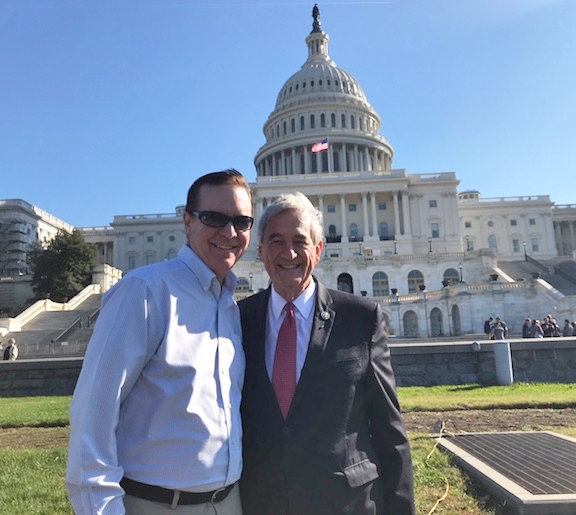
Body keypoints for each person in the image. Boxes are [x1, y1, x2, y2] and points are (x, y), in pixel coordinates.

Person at [66, 169, 253, 514]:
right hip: (156, 504)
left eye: (242, 222)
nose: (230, 232)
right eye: (214, 218)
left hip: (227, 502)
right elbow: (94, 413)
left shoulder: (228, 306)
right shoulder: (146, 291)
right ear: (187, 221)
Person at [239, 192, 414, 515]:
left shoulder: (361, 318)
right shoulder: (239, 320)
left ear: (318, 251)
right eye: (276, 241)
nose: (288, 252)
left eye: (299, 241)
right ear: (261, 252)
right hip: (262, 502)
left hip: (345, 503)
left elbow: (390, 431)